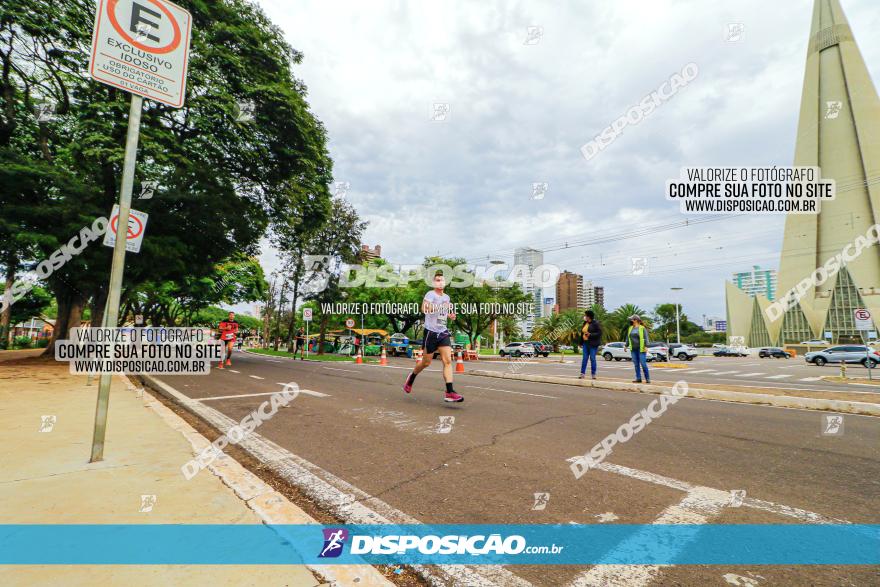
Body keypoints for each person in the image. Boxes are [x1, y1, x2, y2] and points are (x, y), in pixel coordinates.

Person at [403, 273, 463, 402]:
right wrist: (438, 307)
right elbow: (424, 308)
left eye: (442, 280)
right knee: (426, 362)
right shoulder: (430, 294)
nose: (440, 282)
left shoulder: (447, 297)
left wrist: (450, 315)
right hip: (431, 332)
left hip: (443, 331)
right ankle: (412, 377)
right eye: (437, 280)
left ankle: (449, 391)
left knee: (447, 361)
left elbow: (444, 312)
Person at [623, 314, 650, 383]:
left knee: (643, 364)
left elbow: (646, 338)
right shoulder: (630, 328)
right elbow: (628, 338)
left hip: (641, 349)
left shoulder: (642, 328)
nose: (631, 320)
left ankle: (647, 378)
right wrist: (626, 346)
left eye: (632, 319)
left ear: (636, 320)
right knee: (636, 365)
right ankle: (638, 378)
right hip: (633, 350)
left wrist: (646, 346)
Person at [579, 310, 602, 379]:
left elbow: (599, 333)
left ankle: (593, 374)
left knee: (592, 358)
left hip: (593, 344)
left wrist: (590, 334)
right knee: (584, 359)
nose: (584, 317)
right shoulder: (585, 323)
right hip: (585, 343)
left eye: (585, 315)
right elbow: (582, 333)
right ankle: (582, 374)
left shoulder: (595, 323)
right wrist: (580, 342)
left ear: (589, 316)